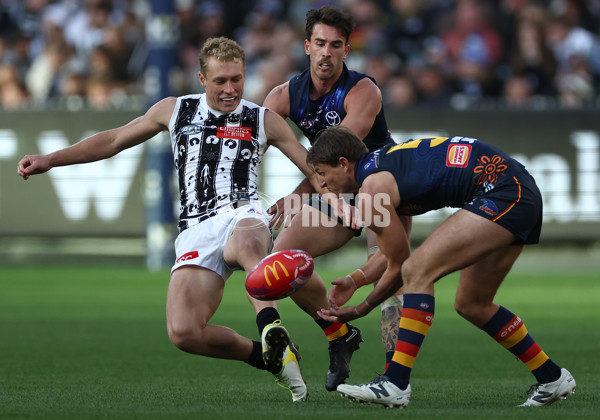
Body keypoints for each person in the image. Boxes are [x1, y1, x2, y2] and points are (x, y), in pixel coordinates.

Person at [17, 37, 320, 403]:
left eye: (237, 79)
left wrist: (318, 194)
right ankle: (270, 357)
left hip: (244, 211)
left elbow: (315, 168)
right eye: (221, 81)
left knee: (250, 244)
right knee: (184, 332)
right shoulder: (173, 110)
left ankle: (272, 327)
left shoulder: (263, 119)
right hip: (196, 226)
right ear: (201, 79)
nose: (230, 89)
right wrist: (51, 159)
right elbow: (113, 139)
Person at [310, 126, 576, 408]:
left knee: (418, 271)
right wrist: (355, 280)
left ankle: (395, 383)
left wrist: (361, 308)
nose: (323, 184)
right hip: (517, 190)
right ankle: (551, 377)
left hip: (504, 193)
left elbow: (401, 265)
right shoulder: (379, 171)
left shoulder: (371, 189)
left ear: (343, 163)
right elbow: (394, 256)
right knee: (472, 304)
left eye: (322, 173)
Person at [260, 4, 410, 391]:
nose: (327, 52)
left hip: (381, 190)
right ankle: (338, 333)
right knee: (281, 265)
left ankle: (393, 380)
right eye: (320, 43)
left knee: (389, 278)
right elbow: (254, 138)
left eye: (336, 45)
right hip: (332, 191)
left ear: (346, 50)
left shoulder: (363, 91)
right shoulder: (283, 95)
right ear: (307, 46)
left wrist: (296, 196)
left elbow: (337, 156)